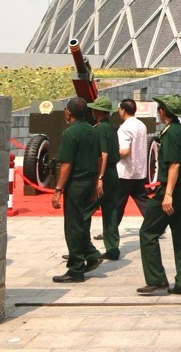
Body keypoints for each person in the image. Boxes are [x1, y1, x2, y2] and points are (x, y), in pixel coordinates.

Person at [137, 94, 181, 296]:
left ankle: (157, 280)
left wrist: (168, 194)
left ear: (163, 112)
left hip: (173, 190)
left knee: (148, 232)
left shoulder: (170, 133)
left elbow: (174, 164)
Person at [51, 97, 104, 283]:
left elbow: (66, 163)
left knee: (73, 226)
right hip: (89, 182)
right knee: (81, 222)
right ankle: (91, 253)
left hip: (76, 184)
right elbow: (99, 158)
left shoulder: (70, 133)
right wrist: (97, 179)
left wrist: (58, 189)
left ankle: (75, 269)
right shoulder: (92, 131)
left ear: (69, 112)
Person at [87, 96, 121, 261]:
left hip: (104, 172)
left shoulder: (99, 129)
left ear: (98, 111)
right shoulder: (111, 128)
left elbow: (103, 154)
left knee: (86, 211)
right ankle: (113, 248)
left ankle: (83, 249)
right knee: (111, 211)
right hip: (113, 173)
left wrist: (99, 177)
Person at [114, 99, 151, 233]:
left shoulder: (124, 128)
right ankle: (154, 225)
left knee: (117, 203)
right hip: (139, 170)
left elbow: (124, 151)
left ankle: (111, 230)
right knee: (143, 200)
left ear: (123, 110)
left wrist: (112, 151)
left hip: (125, 171)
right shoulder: (141, 125)